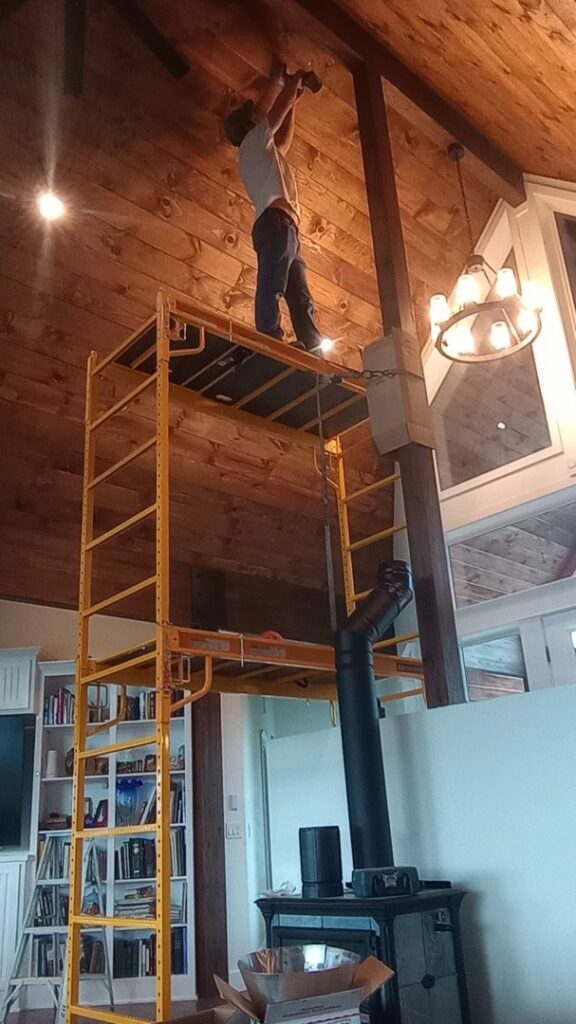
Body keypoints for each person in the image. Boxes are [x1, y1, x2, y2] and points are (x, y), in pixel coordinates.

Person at [224, 67, 323, 353]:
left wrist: (294, 103)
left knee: (299, 294)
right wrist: (292, 84)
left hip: (285, 228)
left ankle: (313, 344)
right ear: (249, 125)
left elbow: (283, 141)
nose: (260, 116)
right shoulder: (251, 143)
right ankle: (269, 337)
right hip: (276, 224)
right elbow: (275, 113)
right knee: (272, 282)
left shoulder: (262, 151)